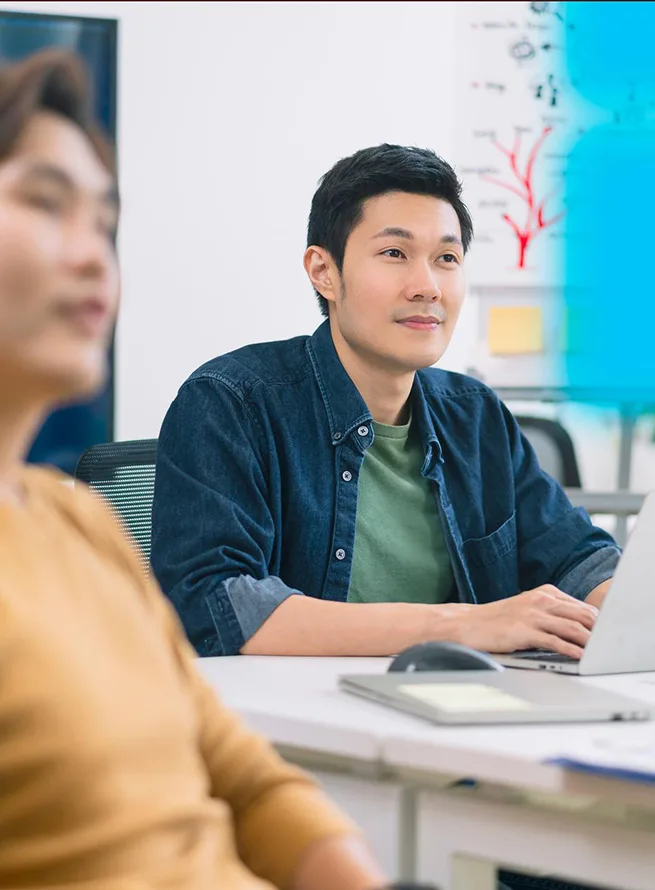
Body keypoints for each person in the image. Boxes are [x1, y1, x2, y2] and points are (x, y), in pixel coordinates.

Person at [0, 49, 390, 890]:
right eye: (44, 201)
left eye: (105, 222)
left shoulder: (74, 520)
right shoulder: (235, 397)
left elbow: (236, 768)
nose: (93, 253)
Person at [151, 143, 619, 662]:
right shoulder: (232, 403)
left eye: (446, 258)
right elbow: (217, 608)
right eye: (395, 254)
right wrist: (462, 625)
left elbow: (579, 561)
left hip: (457, 717)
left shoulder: (476, 415)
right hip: (290, 725)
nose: (427, 287)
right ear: (324, 272)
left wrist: (625, 611)